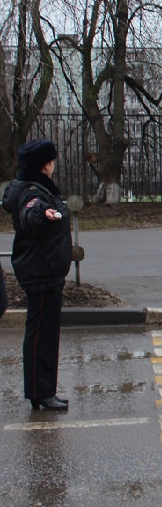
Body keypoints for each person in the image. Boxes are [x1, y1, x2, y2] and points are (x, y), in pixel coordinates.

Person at [2, 139, 72, 411]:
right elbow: (31, 211)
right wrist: (44, 214)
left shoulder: (32, 188)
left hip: (45, 270)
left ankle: (42, 390)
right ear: (46, 165)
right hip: (42, 270)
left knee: (43, 332)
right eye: (52, 161)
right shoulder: (33, 192)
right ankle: (40, 391)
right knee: (42, 333)